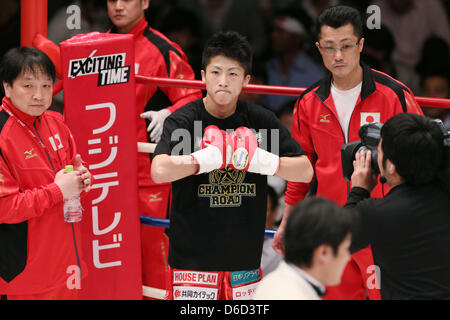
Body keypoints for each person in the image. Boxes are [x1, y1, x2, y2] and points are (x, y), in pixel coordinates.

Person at [272, 5, 423, 300]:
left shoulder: (395, 95)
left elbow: (422, 159)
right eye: (329, 47)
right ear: (318, 48)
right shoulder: (308, 103)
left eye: (346, 46)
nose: (338, 55)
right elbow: (302, 168)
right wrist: (288, 220)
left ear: (361, 45)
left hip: (382, 227)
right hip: (331, 228)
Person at [151, 31, 313, 300]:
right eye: (215, 72)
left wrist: (261, 161)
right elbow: (159, 170)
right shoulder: (184, 122)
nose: (223, 82)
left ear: (246, 80)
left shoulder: (261, 121)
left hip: (244, 263)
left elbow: (305, 169)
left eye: (233, 74)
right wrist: (201, 160)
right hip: (192, 263)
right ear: (203, 76)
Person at [106, 0, 202, 295]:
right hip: (103, 170)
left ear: (145, 2)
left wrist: (169, 113)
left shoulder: (162, 48)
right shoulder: (94, 48)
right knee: (108, 257)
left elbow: (193, 96)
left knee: (155, 256)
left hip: (148, 175)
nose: (119, 6)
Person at [0, 47, 91, 299]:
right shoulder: (2, 136)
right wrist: (57, 190)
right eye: (27, 86)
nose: (38, 95)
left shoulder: (56, 122)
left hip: (67, 265)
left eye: (46, 86)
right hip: (25, 276)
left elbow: (72, 181)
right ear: (7, 87)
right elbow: (4, 208)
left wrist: (82, 181)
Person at [345, 113, 450, 299]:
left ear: (391, 166)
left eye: (379, 149)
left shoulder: (376, 213)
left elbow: (333, 242)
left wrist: (358, 191)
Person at [254, 197, 354, 300]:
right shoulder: (294, 295)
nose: (348, 257)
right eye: (346, 248)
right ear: (324, 252)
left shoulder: (271, 282)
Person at [262, 15, 324, 113]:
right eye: (274, 31)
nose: (274, 36)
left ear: (297, 38)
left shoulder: (315, 75)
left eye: (281, 32)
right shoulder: (267, 67)